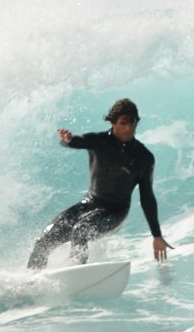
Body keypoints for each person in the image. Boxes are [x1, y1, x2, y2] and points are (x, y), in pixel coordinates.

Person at [27, 98, 174, 269]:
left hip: (115, 211)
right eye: (123, 123)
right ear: (113, 123)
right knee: (44, 241)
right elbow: (75, 142)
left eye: (132, 123)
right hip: (89, 203)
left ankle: (76, 271)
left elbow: (147, 197)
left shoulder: (143, 157)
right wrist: (67, 140)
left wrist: (156, 235)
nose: (128, 128)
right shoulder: (98, 141)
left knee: (81, 229)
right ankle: (31, 281)